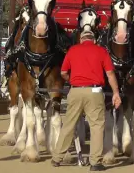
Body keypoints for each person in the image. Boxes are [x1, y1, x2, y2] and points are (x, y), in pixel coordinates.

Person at [51, 31, 121, 171]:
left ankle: (57, 158)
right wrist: (116, 93)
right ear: (94, 40)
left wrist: (73, 81)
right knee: (96, 126)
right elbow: (110, 74)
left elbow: (63, 72)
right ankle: (95, 163)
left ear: (81, 39)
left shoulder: (72, 50)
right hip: (94, 92)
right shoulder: (101, 51)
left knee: (69, 125)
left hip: (75, 91)